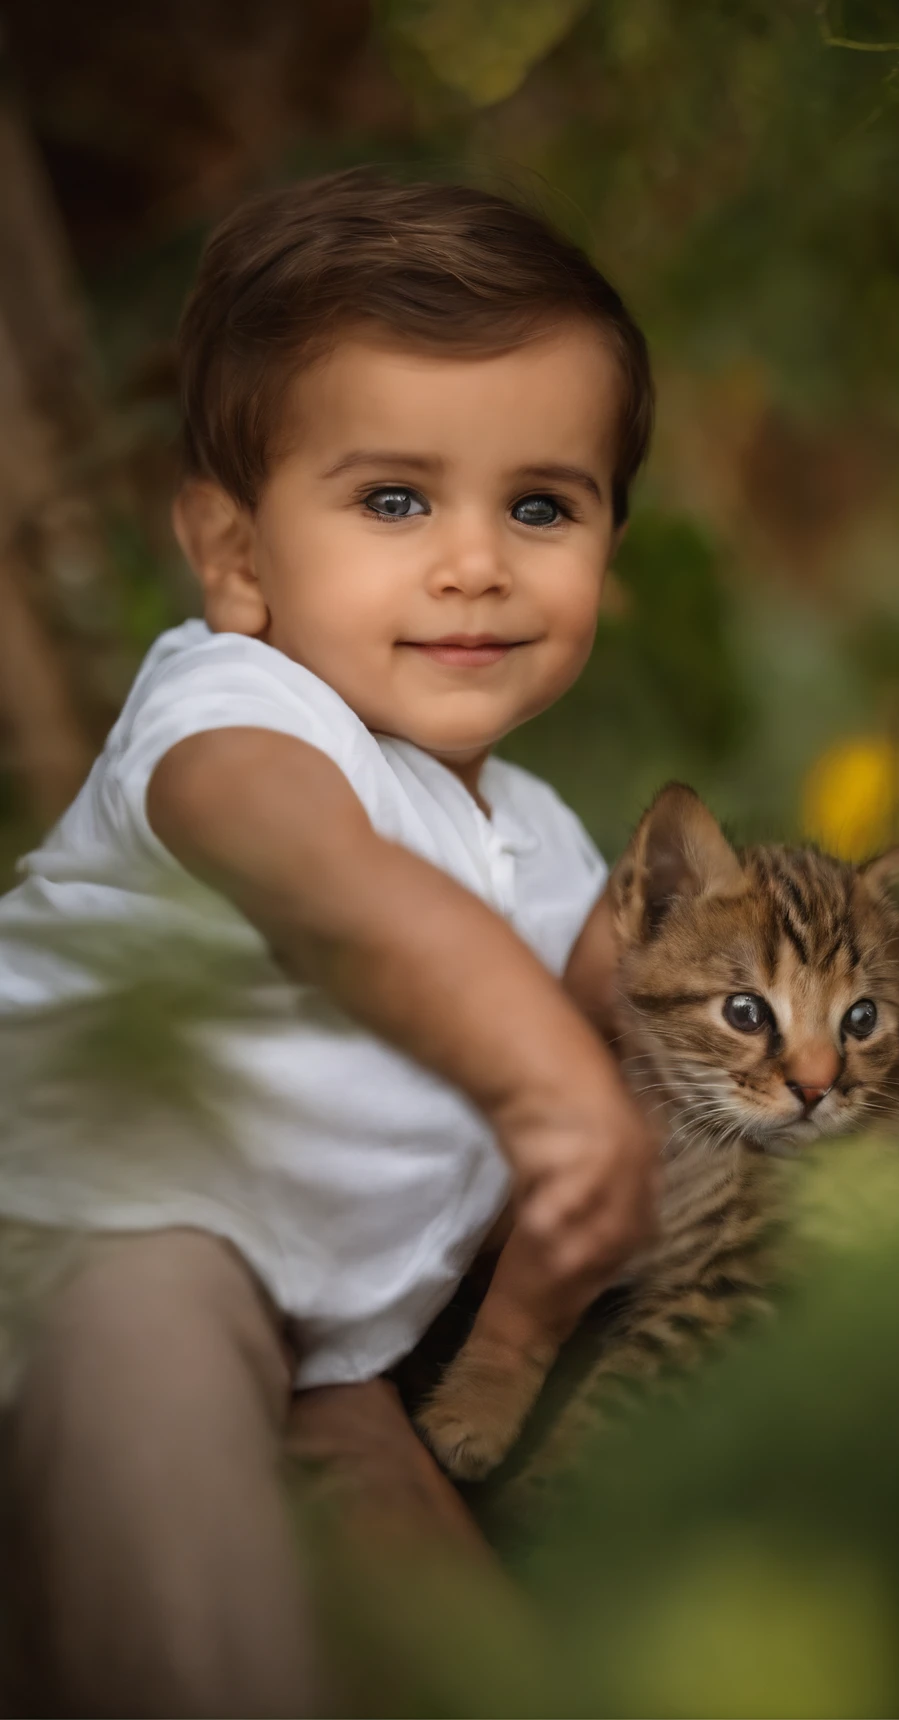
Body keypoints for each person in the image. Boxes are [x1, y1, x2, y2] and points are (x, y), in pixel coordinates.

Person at [0, 170, 658, 1716]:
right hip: (90, 1230)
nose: (477, 562)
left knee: (459, 1634)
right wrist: (551, 1089)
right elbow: (334, 886)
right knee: (157, 1456)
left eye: (543, 505)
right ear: (235, 558)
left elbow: (629, 996)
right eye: (393, 499)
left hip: (320, 1343)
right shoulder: (238, 710)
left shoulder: (545, 839)